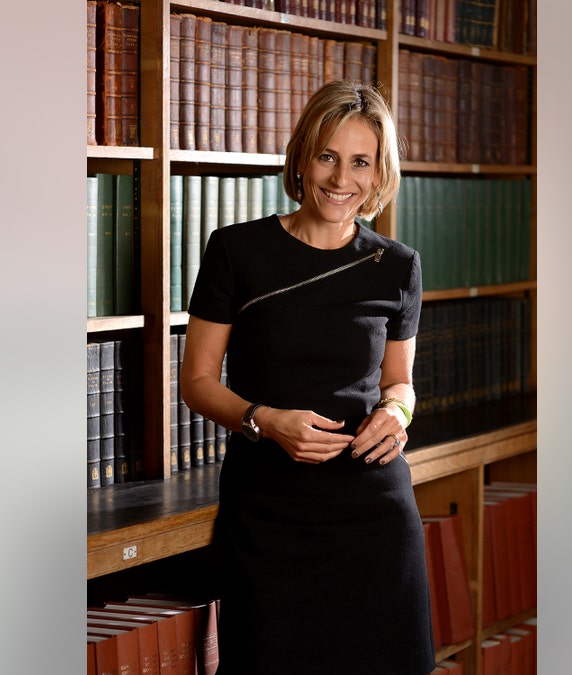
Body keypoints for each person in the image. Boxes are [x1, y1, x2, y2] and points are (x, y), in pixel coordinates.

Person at [180, 80, 435, 675]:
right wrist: (264, 420)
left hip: (373, 510)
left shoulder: (397, 265)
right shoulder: (235, 251)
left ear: (380, 173)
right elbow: (196, 381)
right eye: (327, 156)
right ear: (301, 158)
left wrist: (396, 413)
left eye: (361, 162)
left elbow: (399, 382)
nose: (341, 178)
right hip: (267, 509)